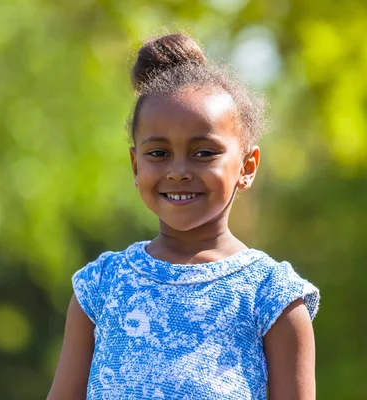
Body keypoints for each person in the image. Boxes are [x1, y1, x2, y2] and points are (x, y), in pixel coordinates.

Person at [47, 33, 320, 400]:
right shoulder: (100, 288)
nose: (177, 171)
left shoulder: (271, 297)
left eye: (204, 152)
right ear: (134, 165)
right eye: (158, 153)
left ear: (247, 166)